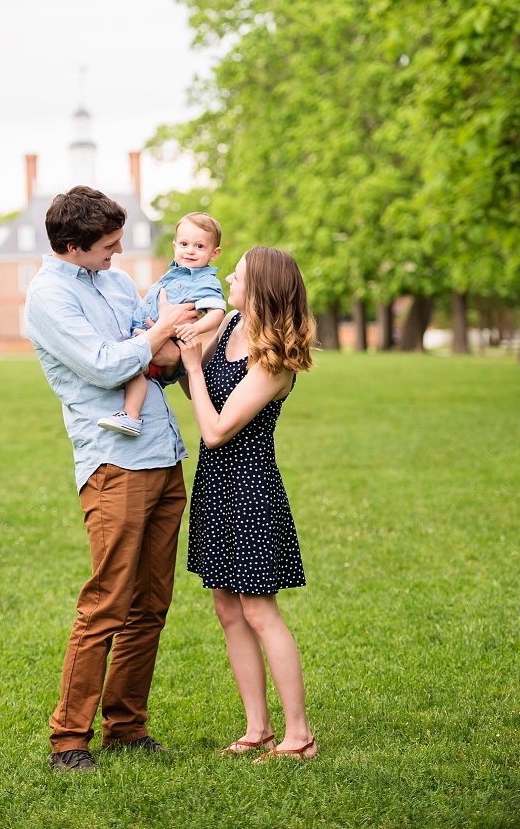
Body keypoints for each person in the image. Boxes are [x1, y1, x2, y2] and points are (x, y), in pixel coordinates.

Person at [24, 186, 198, 773]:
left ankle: (126, 728)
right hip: (114, 463)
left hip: (163, 453)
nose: (119, 252)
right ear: (73, 246)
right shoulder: (49, 296)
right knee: (107, 603)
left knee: (151, 605)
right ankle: (69, 741)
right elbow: (104, 365)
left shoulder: (117, 283)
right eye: (108, 244)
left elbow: (151, 360)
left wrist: (170, 341)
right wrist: (159, 331)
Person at [180, 246, 318, 761]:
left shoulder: (272, 361)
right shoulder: (232, 323)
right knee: (226, 608)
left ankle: (299, 736)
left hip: (250, 491)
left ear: (260, 288)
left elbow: (215, 430)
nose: (228, 281)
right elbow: (193, 383)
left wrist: (194, 369)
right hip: (215, 486)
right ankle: (257, 728)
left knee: (260, 612)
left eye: (237, 275)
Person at [97, 212, 226, 437]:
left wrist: (195, 328)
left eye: (199, 246)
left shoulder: (205, 281)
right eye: (184, 244)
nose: (190, 251)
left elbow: (217, 311)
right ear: (175, 246)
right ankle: (130, 414)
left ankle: (131, 415)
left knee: (134, 369)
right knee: (133, 367)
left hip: (162, 343)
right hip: (146, 335)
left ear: (214, 253)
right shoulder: (173, 274)